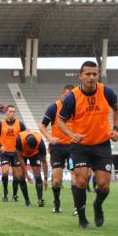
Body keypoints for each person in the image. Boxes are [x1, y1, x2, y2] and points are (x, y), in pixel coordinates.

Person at [58, 61, 118, 229]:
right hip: (80, 146)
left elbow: (117, 108)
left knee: (104, 185)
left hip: (102, 144)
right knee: (81, 180)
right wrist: (71, 135)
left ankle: (98, 205)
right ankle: (82, 218)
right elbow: (60, 121)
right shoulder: (72, 97)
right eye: (88, 74)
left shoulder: (106, 92)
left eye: (95, 74)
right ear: (81, 76)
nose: (92, 77)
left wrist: (115, 129)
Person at [39, 84, 76, 213]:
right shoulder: (54, 107)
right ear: (62, 95)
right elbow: (42, 126)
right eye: (66, 96)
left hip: (73, 147)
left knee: (75, 177)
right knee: (56, 181)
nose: (68, 99)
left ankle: (77, 206)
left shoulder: (77, 107)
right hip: (57, 147)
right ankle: (57, 202)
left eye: (70, 96)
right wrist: (49, 137)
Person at [0, 105, 27, 202]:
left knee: (16, 175)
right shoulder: (0, 124)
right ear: (6, 112)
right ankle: (5, 192)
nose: (12, 113)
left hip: (16, 153)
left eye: (14, 111)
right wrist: (0, 146)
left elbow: (25, 136)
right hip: (5, 152)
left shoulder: (20, 124)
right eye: (10, 111)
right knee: (5, 172)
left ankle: (15, 195)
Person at [16, 130, 48, 207]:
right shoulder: (19, 139)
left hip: (35, 155)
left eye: (33, 147)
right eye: (30, 147)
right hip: (22, 155)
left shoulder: (40, 142)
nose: (31, 149)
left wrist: (46, 179)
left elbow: (44, 162)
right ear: (26, 142)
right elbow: (20, 158)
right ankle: (27, 201)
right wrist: (26, 174)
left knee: (38, 176)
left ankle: (40, 200)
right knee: (21, 176)